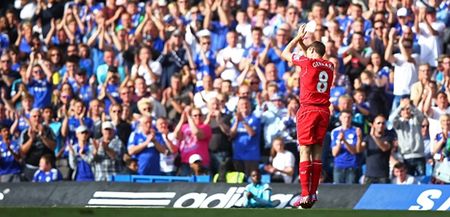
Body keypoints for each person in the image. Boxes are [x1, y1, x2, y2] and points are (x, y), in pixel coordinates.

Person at [281, 24, 334, 208]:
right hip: (323, 111)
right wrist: (307, 46)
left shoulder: (307, 62)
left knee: (304, 150)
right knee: (317, 151)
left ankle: (304, 194)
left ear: (312, 51)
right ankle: (313, 194)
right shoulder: (329, 66)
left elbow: (285, 53)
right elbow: (311, 56)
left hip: (308, 110)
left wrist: (297, 38)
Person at [359, 115, 394, 184]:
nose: (381, 125)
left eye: (383, 123)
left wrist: (374, 137)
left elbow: (384, 148)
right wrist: (359, 138)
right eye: (378, 123)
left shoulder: (388, 138)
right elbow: (359, 149)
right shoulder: (367, 138)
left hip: (383, 176)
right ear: (374, 125)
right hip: (369, 175)